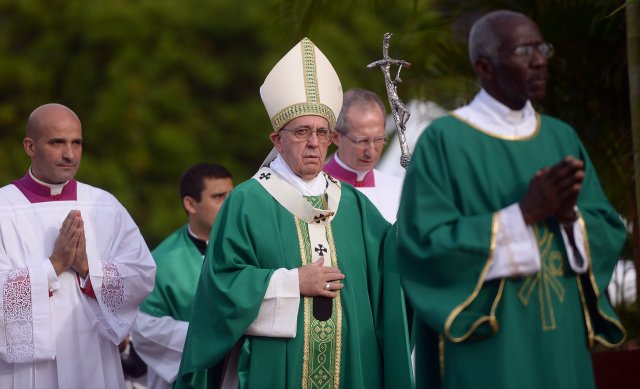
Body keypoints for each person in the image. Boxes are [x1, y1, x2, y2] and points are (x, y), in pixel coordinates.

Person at [397, 10, 626, 389]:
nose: (540, 60)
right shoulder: (445, 141)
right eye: (524, 50)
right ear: (485, 66)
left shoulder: (561, 137)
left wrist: (571, 218)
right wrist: (522, 214)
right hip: (492, 343)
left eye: (542, 48)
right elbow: (422, 247)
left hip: (562, 340)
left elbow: (606, 228)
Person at [177, 38, 412, 388]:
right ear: (277, 139)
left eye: (321, 132)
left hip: (351, 367)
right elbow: (221, 287)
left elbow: (391, 270)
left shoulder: (354, 205)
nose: (314, 143)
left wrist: (422, 221)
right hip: (276, 365)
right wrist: (291, 283)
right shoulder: (247, 201)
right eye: (302, 132)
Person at [0, 103, 156, 388]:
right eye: (57, 142)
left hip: (94, 357)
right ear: (29, 146)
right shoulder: (4, 208)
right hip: (28, 372)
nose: (69, 154)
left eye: (77, 143)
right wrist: (53, 266)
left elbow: (142, 273)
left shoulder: (104, 205)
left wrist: (86, 267)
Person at [131, 162, 234, 389]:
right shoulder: (161, 262)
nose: (229, 205)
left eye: (231, 196)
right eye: (219, 197)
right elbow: (143, 328)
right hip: (185, 376)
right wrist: (215, 335)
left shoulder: (249, 248)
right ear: (190, 204)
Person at [323, 88, 402, 222]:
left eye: (379, 139)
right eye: (362, 141)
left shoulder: (398, 189)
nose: (371, 152)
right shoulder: (314, 189)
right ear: (335, 137)